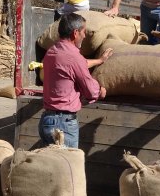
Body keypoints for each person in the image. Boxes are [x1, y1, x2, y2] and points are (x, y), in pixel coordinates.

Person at [39, 13, 112, 148]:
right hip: (63, 124)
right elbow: (90, 91)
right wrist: (99, 90)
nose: (85, 36)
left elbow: (77, 64)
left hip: (47, 121)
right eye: (83, 32)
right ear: (75, 33)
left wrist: (100, 61)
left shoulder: (51, 52)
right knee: (68, 167)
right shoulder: (73, 57)